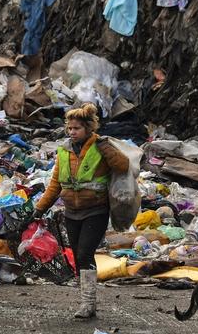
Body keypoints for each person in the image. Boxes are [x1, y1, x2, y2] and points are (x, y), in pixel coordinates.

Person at [33, 103, 129, 319]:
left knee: (85, 253)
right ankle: (87, 301)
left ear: (88, 128)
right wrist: (39, 209)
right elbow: (55, 184)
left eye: (76, 128)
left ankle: (88, 304)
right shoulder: (64, 151)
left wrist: (106, 148)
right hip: (71, 212)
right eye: (69, 128)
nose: (72, 132)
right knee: (78, 256)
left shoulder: (101, 147)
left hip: (96, 210)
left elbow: (123, 166)